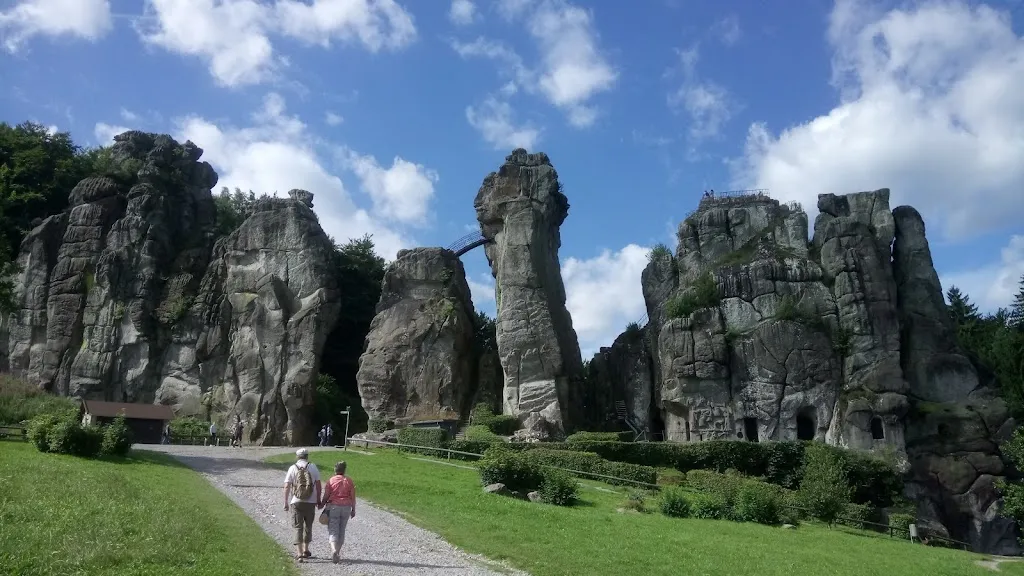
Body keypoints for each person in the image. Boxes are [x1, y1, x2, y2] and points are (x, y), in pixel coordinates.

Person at [284, 448, 322, 562]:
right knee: (308, 526)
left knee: (298, 527)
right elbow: (319, 485)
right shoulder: (313, 467)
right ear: (307, 456)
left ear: (297, 457)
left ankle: (299, 553)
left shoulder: (292, 468)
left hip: (296, 501)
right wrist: (318, 499)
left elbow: (287, 486)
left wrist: (286, 502)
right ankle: (306, 550)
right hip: (310, 502)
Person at [320, 461, 356, 564]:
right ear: (344, 470)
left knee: (333, 529)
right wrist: (353, 509)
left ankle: (334, 550)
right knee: (342, 530)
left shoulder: (331, 480)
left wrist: (322, 504)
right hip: (346, 507)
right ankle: (338, 552)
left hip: (334, 507)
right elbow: (353, 497)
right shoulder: (349, 481)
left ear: (335, 470)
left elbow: (326, 495)